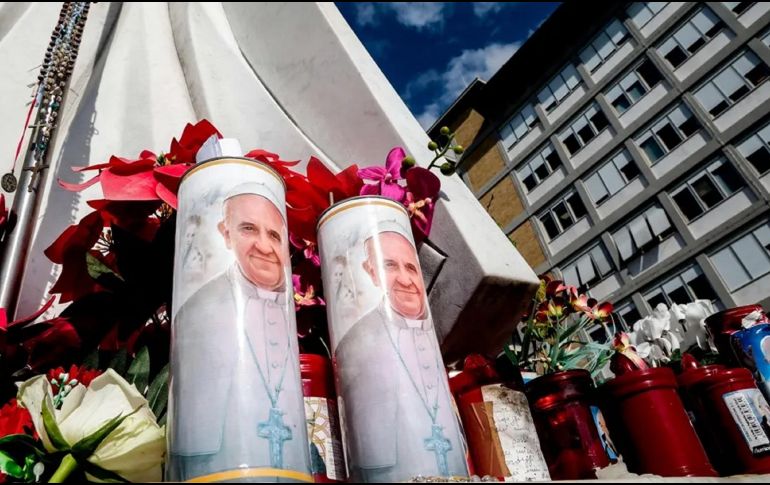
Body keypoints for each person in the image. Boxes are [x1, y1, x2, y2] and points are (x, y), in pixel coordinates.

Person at [168, 182, 309, 481]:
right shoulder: (198, 308)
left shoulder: (290, 313)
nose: (265, 246)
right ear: (226, 233)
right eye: (248, 229)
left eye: (274, 235)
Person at [333, 223, 467, 482]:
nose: (406, 280)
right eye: (390, 266)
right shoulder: (355, 341)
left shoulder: (432, 336)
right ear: (370, 271)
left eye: (411, 268)